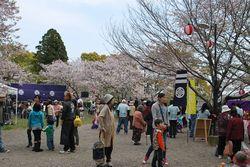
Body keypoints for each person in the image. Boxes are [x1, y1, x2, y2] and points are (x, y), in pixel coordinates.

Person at [143, 92, 169, 165]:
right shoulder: (154, 106)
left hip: (164, 127)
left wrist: (167, 125)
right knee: (154, 145)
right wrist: (160, 126)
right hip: (156, 128)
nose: (165, 99)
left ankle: (163, 158)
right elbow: (154, 118)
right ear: (159, 98)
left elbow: (167, 117)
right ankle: (146, 157)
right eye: (164, 97)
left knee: (164, 144)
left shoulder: (165, 106)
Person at [98, 94, 115, 167]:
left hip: (110, 132)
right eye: (112, 99)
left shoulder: (109, 108)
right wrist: (102, 127)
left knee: (110, 146)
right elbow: (100, 117)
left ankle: (108, 160)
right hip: (106, 132)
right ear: (109, 100)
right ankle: (102, 161)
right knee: (105, 146)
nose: (114, 101)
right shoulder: (105, 108)